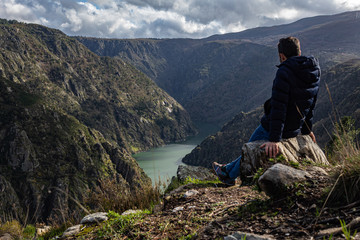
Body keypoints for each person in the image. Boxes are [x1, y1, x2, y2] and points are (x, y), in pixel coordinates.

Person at [212, 36, 320, 186]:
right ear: (299, 51)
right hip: (295, 128)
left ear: (282, 56)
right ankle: (226, 170)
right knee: (250, 146)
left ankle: (228, 175)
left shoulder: (285, 72)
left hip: (276, 128)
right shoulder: (313, 70)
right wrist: (307, 129)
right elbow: (310, 102)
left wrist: (274, 139)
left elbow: (279, 106)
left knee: (250, 146)